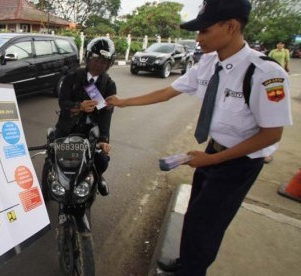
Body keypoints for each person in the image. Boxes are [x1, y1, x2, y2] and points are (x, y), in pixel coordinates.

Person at [106, 0, 292, 275]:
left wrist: (213, 159)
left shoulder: (265, 74)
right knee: (194, 215)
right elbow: (167, 92)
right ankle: (187, 263)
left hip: (238, 162)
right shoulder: (208, 63)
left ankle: (192, 270)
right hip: (212, 152)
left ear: (230, 26)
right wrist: (123, 102)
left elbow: (271, 134)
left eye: (204, 31)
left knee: (208, 224)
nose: (198, 38)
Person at [55, 37, 117, 196]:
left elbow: (106, 113)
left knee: (102, 160)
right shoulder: (72, 77)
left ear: (109, 64)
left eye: (105, 61)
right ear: (88, 58)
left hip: (90, 132)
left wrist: (104, 139)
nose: (100, 64)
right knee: (54, 156)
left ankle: (99, 177)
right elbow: (63, 102)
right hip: (67, 128)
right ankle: (52, 180)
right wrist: (78, 106)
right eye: (96, 59)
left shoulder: (108, 84)